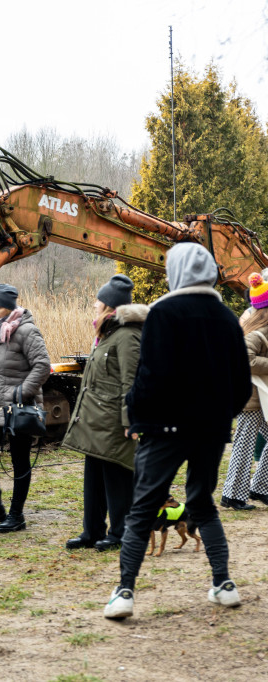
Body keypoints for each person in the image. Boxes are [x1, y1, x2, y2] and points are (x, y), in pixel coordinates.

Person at [104, 243, 250, 620]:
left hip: (163, 428)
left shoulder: (164, 313)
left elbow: (149, 375)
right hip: (211, 429)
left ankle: (124, 593)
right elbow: (241, 382)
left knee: (142, 510)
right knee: (202, 503)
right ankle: (224, 583)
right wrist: (221, 416)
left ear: (176, 271)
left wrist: (136, 416)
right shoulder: (227, 317)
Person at [62, 275, 146, 551]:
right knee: (94, 479)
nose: (94, 305)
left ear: (110, 305)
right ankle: (92, 531)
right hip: (96, 421)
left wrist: (129, 419)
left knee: (117, 479)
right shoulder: (107, 334)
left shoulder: (128, 336)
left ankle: (120, 533)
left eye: (98, 300)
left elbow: (131, 381)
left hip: (113, 423)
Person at [0, 284, 50, 533]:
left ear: (9, 307)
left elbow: (42, 365)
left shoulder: (27, 330)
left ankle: (17, 514)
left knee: (20, 460)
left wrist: (21, 392)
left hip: (20, 405)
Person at [221, 272, 268, 510]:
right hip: (250, 395)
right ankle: (232, 496)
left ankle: (259, 488)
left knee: (246, 443)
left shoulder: (256, 321)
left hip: (260, 396)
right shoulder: (258, 328)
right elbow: (245, 359)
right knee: (244, 444)